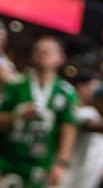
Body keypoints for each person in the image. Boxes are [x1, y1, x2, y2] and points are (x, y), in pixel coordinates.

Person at [0, 36, 79, 188]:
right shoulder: (16, 85)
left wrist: (61, 163)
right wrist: (17, 116)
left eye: (48, 51)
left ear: (61, 58)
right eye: (39, 50)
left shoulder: (66, 92)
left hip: (40, 166)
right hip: (7, 160)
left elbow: (68, 129)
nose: (43, 54)